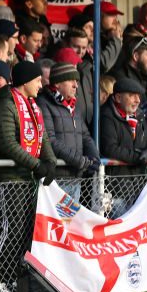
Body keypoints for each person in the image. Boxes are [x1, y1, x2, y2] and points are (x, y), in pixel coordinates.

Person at [0, 60, 57, 292]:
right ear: (26, 81)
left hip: (27, 180)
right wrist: (38, 165)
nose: (41, 84)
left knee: (25, 231)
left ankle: (13, 277)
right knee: (9, 230)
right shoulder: (6, 105)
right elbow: (7, 143)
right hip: (8, 180)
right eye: (38, 80)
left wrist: (51, 163)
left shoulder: (33, 106)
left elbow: (43, 137)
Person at [37, 62, 100, 199]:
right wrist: (79, 160)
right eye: (71, 81)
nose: (76, 85)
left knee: (71, 221)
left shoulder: (74, 106)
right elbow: (50, 140)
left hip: (75, 177)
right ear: (58, 84)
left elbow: (85, 136)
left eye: (76, 81)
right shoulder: (43, 103)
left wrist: (94, 157)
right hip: (55, 180)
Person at [99, 78, 147, 214]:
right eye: (132, 96)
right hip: (116, 190)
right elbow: (110, 148)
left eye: (139, 96)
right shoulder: (107, 116)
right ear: (118, 97)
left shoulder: (140, 117)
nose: (137, 100)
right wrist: (137, 157)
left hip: (138, 189)